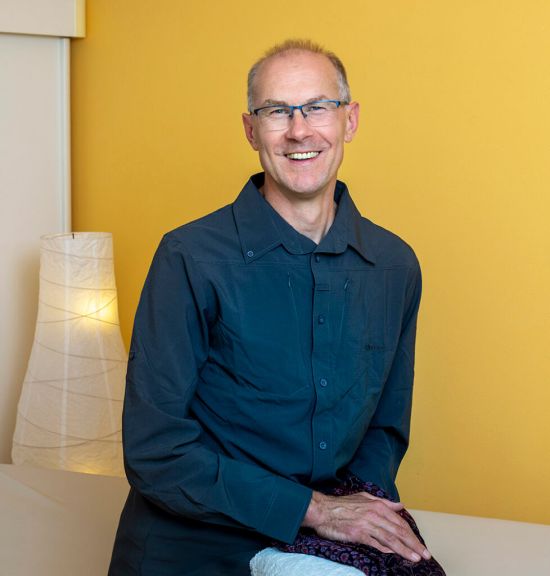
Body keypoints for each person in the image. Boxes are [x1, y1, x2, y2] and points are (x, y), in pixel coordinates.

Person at [109, 39, 428, 576]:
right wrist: (314, 510)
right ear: (251, 129)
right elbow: (154, 449)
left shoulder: (394, 265)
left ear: (349, 120)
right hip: (192, 547)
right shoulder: (189, 257)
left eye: (317, 107)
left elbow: (385, 430)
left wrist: (358, 515)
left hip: (321, 540)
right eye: (277, 111)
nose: (299, 130)